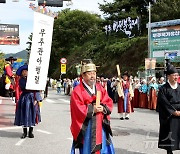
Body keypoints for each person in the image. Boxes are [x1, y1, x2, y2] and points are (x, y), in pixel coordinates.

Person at [70, 59, 115, 154]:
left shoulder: (100, 88)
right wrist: (92, 109)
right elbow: (77, 109)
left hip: (100, 124)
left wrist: (103, 108)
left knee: (103, 148)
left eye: (94, 73)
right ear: (83, 75)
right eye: (89, 73)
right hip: (87, 126)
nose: (92, 76)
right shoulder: (77, 91)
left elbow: (108, 101)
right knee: (87, 148)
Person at [157, 64, 180, 154]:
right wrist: (173, 112)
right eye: (174, 75)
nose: (176, 77)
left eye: (177, 75)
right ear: (168, 76)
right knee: (170, 135)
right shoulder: (163, 89)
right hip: (169, 115)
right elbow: (163, 103)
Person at [14, 65, 42, 139]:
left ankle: (30, 132)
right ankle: (24, 132)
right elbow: (23, 87)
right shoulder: (21, 80)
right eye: (23, 72)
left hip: (33, 97)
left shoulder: (34, 80)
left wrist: (37, 99)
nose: (25, 73)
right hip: (25, 98)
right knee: (24, 114)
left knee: (33, 114)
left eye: (26, 71)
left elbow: (37, 89)